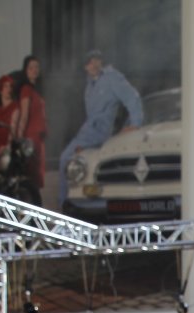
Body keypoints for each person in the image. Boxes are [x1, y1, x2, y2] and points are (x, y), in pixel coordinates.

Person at [58, 49, 144, 209]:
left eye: (96, 60)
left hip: (100, 133)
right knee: (85, 165)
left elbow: (132, 98)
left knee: (65, 159)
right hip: (88, 133)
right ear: (85, 67)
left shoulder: (112, 77)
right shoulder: (89, 85)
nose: (94, 64)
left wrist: (135, 124)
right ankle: (80, 204)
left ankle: (64, 207)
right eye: (90, 62)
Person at [10, 55, 47, 196]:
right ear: (25, 70)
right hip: (31, 136)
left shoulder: (35, 90)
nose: (34, 70)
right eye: (31, 68)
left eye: (36, 67)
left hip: (38, 136)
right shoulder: (26, 89)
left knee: (36, 174)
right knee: (31, 174)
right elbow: (24, 114)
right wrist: (20, 138)